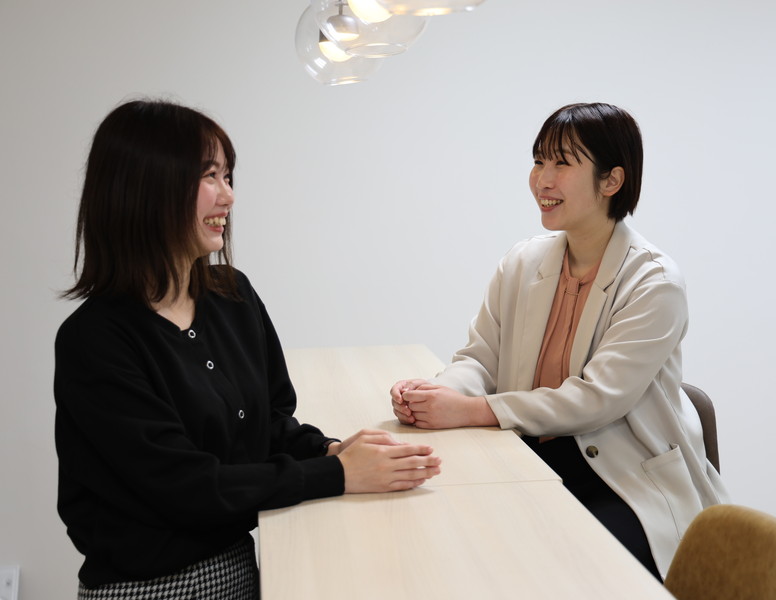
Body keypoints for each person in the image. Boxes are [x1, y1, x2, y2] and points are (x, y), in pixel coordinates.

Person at [55, 99, 441, 599]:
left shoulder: (232, 294)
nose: (229, 196)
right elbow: (185, 487)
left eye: (228, 176)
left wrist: (330, 449)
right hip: (148, 587)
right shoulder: (95, 340)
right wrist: (337, 473)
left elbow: (269, 425)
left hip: (241, 562)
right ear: (147, 186)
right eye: (209, 176)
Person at [390, 102, 727, 580]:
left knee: (557, 567)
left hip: (623, 480)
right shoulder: (522, 263)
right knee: (449, 539)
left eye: (562, 164)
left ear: (611, 181)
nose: (542, 180)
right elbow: (480, 359)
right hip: (531, 457)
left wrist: (469, 411)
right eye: (538, 161)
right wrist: (434, 394)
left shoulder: (655, 282)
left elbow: (595, 399)